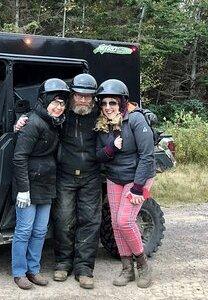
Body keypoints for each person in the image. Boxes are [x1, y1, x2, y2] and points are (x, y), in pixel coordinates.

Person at [14, 73, 102, 289]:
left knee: (89, 222)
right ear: (72, 95)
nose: (83, 100)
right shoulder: (61, 116)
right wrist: (19, 121)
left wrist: (140, 113)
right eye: (79, 95)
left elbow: (121, 111)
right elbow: (39, 115)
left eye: (87, 96)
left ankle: (84, 269)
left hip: (91, 176)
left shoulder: (99, 115)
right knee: (63, 221)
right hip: (64, 176)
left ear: (93, 98)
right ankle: (62, 264)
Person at [94, 79, 155, 288]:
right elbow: (98, 155)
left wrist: (138, 187)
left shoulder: (136, 120)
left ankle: (143, 265)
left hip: (138, 178)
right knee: (115, 224)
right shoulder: (101, 125)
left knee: (124, 221)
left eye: (113, 102)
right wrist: (111, 148)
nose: (108, 107)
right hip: (114, 177)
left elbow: (147, 156)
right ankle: (126, 268)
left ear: (122, 102)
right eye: (104, 103)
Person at [12, 78, 69, 290]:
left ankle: (33, 270)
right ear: (44, 101)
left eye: (62, 103)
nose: (58, 107)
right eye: (55, 102)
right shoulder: (33, 123)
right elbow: (19, 158)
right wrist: (23, 190)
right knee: (24, 230)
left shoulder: (56, 123)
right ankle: (19, 273)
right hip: (28, 185)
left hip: (46, 184)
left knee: (39, 231)